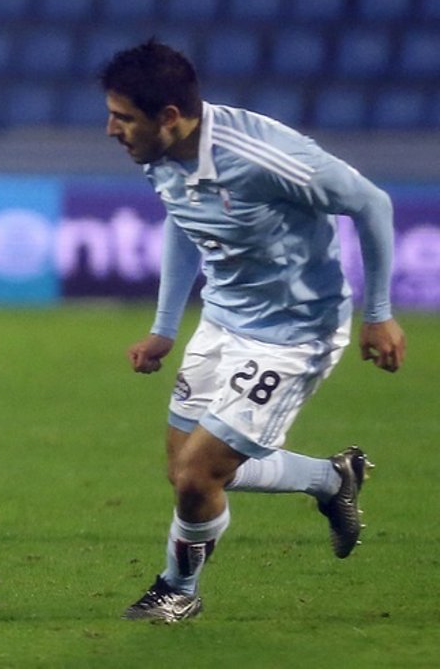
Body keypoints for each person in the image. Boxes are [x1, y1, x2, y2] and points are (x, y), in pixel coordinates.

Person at [100, 39, 406, 623]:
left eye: (123, 117)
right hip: (222, 321)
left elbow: (372, 203)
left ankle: (176, 591)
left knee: (197, 477)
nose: (111, 129)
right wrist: (165, 327)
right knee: (186, 471)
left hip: (293, 335)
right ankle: (330, 476)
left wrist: (379, 312)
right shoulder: (160, 154)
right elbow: (183, 220)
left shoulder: (266, 157)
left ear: (169, 117)